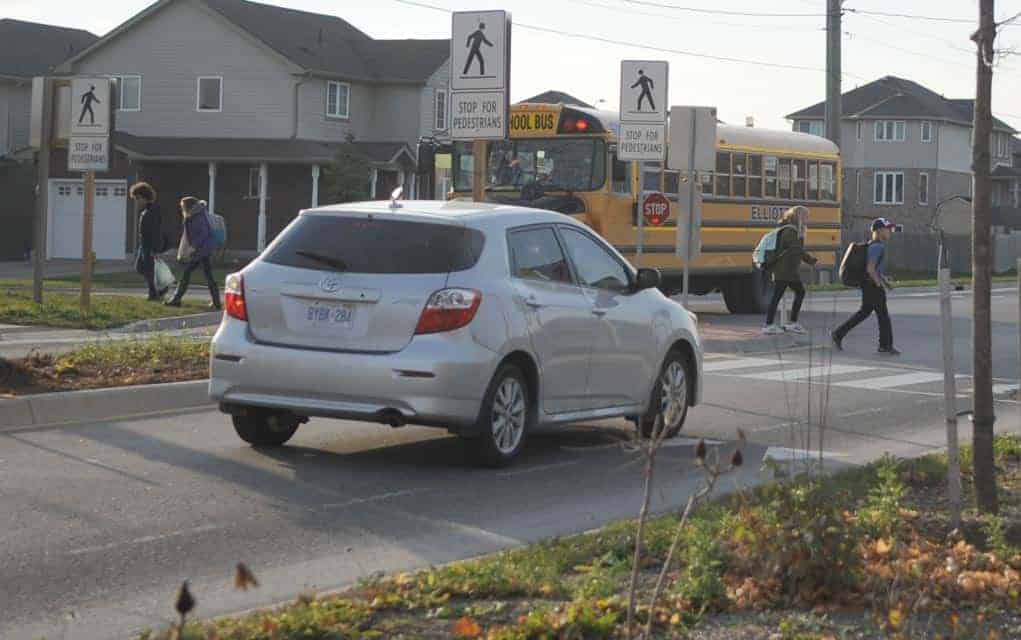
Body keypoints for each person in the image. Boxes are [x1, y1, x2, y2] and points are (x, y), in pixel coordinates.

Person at [832, 218, 899, 355]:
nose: (890, 232)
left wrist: (886, 283)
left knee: (866, 313)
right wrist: (879, 284)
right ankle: (885, 346)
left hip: (869, 284)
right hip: (872, 286)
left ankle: (838, 334)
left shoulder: (872, 245)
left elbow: (875, 269)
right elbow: (870, 269)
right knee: (882, 316)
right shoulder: (878, 247)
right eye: (887, 229)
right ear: (879, 231)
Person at [763, 206, 818, 335]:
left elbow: (796, 249)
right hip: (785, 271)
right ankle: (771, 324)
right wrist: (810, 260)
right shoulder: (790, 231)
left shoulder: (790, 229)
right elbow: (796, 249)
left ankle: (786, 323)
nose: (807, 219)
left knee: (787, 294)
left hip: (787, 270)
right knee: (791, 294)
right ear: (798, 216)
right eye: (805, 216)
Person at [165, 197, 220, 309]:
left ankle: (176, 299)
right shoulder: (195, 215)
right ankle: (216, 302)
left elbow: (204, 233)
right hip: (202, 250)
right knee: (206, 275)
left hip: (202, 250)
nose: (181, 208)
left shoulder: (198, 216)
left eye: (182, 206)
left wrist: (193, 246)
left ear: (188, 206)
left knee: (188, 273)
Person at [130, 182, 165, 301]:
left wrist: (155, 249)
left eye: (138, 198)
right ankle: (159, 289)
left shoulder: (153, 210)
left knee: (149, 270)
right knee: (140, 267)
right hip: (144, 244)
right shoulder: (146, 210)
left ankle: (153, 293)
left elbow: (156, 231)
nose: (137, 201)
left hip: (150, 246)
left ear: (145, 196)